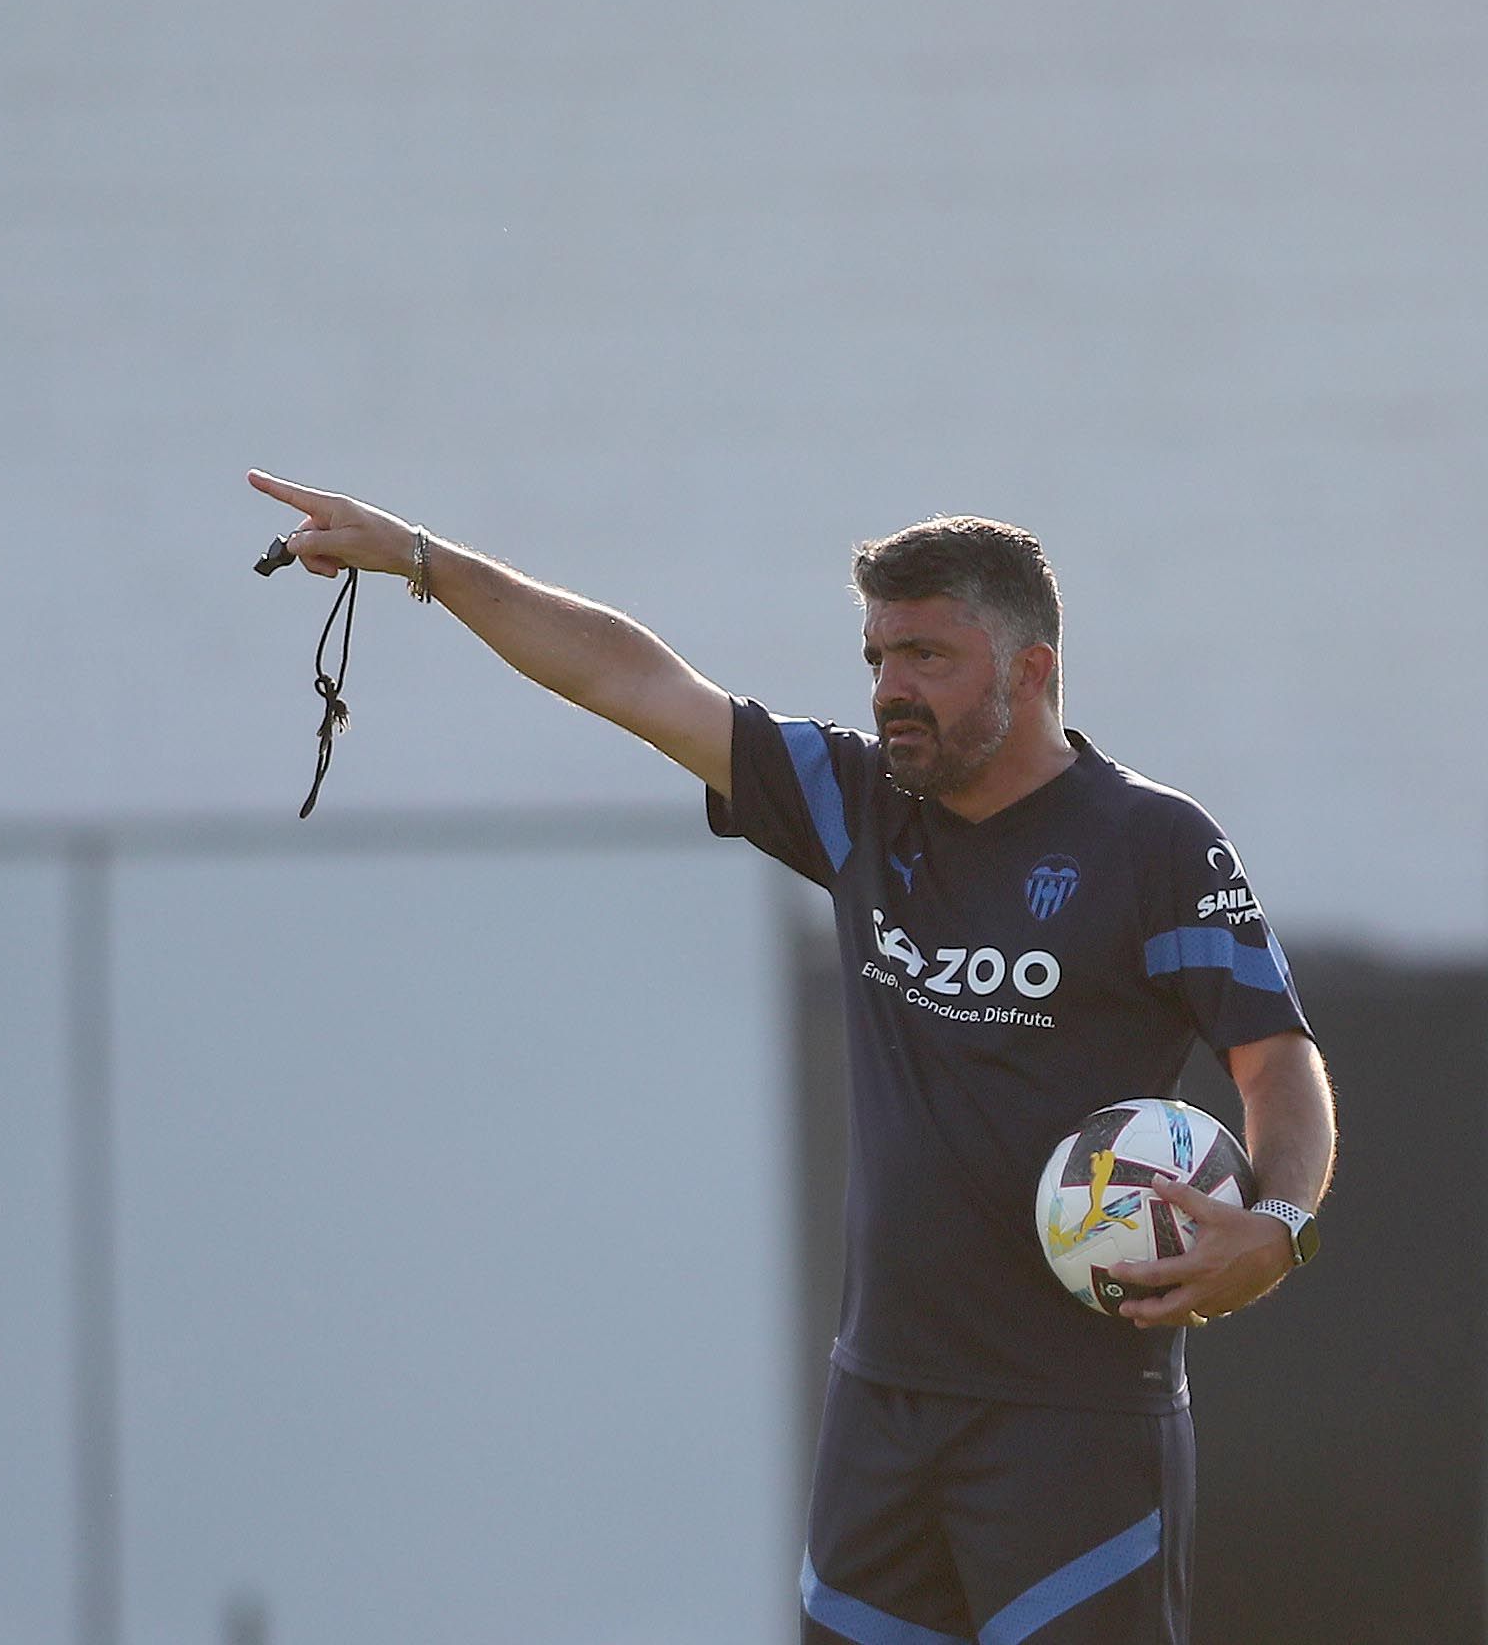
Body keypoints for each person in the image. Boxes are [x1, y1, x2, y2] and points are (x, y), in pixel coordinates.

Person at [246, 471, 1337, 1645]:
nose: (888, 692)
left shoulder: (1154, 845)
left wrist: (1276, 1228)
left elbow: (1278, 1067)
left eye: (924, 656)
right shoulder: (858, 803)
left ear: (1030, 669)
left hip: (1071, 1423)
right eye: (875, 658)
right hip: (880, 1411)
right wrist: (423, 558)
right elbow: (627, 676)